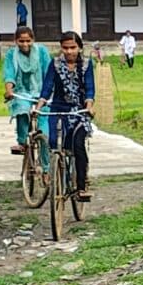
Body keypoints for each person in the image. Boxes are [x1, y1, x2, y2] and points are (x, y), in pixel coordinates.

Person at [40, 31, 98, 202]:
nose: (69, 51)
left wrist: (89, 106)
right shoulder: (55, 64)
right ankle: (58, 175)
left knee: (78, 145)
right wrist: (38, 107)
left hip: (78, 112)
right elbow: (47, 87)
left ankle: (81, 186)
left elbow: (90, 89)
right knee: (54, 143)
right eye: (65, 48)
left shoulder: (87, 64)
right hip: (58, 110)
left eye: (73, 47)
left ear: (79, 48)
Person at [0, 27, 49, 156]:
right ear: (16, 41)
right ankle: (22, 142)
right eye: (21, 41)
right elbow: (9, 73)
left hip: (42, 93)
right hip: (22, 92)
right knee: (21, 109)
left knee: (44, 130)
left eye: (28, 41)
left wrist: (48, 92)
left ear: (33, 40)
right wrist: (9, 90)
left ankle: (46, 169)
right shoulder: (12, 54)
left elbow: (49, 73)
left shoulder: (42, 51)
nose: (25, 44)